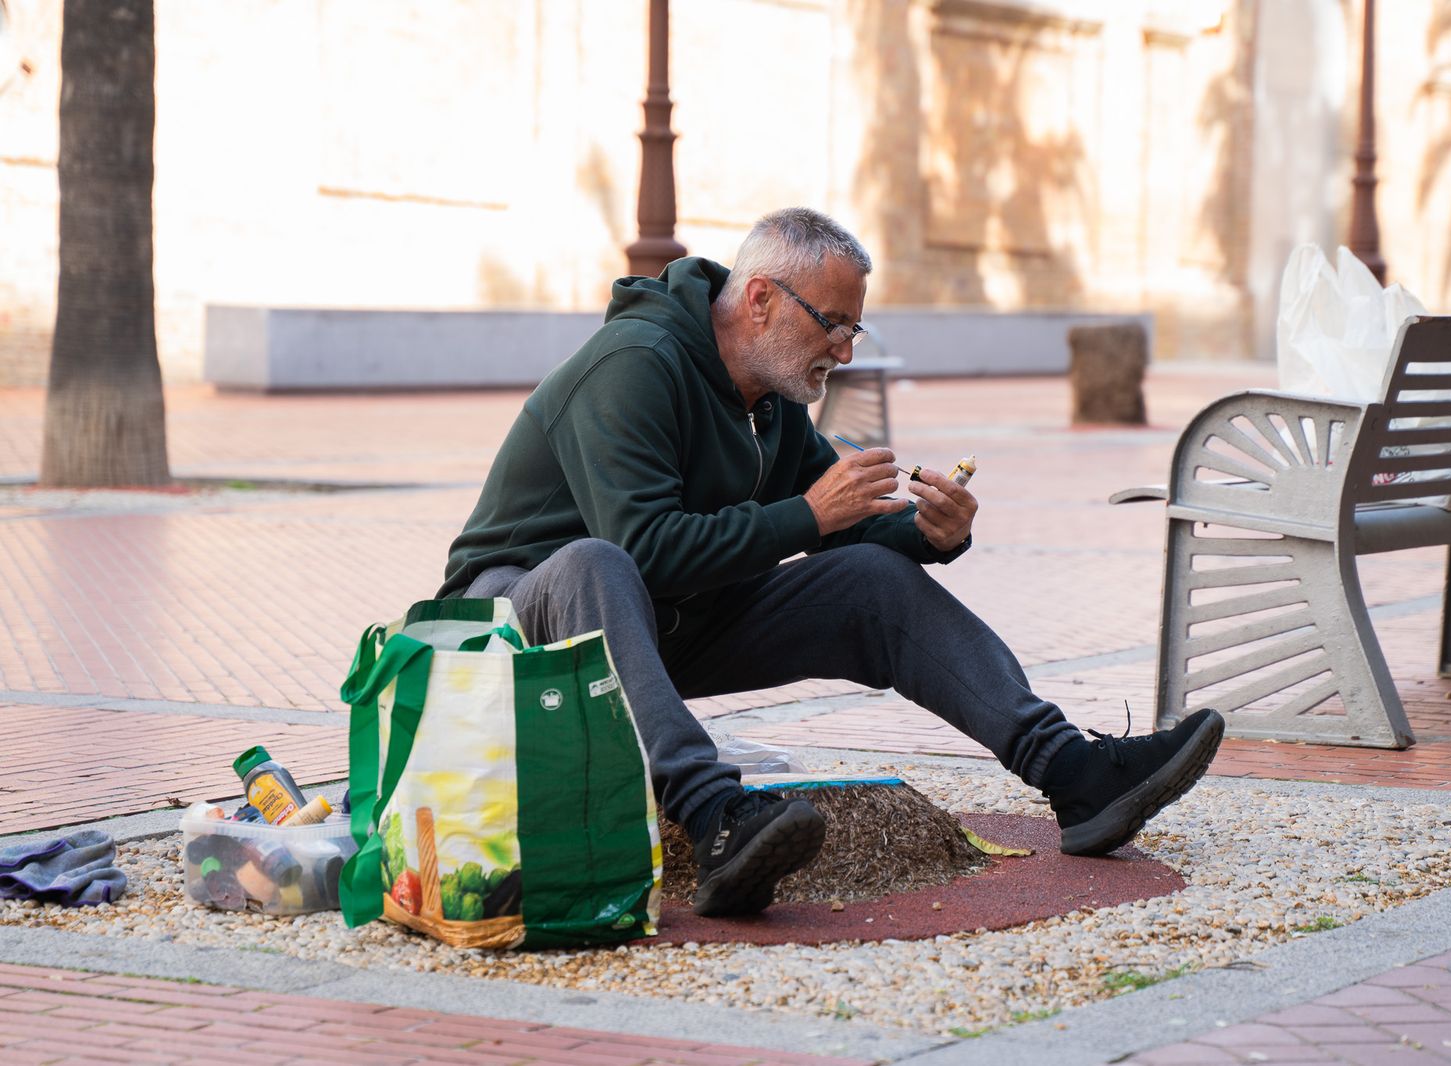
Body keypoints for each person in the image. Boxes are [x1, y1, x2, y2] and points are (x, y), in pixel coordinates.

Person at [440, 207, 1223, 918]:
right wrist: (808, 514)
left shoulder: (771, 405)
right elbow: (642, 549)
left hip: (652, 630)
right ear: (759, 300)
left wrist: (930, 535)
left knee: (870, 582)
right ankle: (716, 820)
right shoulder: (634, 363)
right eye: (834, 324)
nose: (845, 351)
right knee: (595, 563)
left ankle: (1074, 775)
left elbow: (842, 532)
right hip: (515, 632)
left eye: (856, 331)